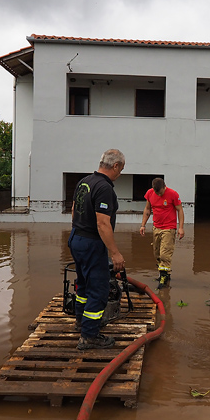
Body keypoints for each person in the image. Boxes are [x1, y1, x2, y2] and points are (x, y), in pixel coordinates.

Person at [68, 149, 126, 350]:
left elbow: (74, 210)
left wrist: (81, 232)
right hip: (91, 242)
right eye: (121, 169)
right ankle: (89, 335)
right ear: (115, 166)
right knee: (99, 290)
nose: (120, 174)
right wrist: (115, 253)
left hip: (76, 237)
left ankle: (80, 322)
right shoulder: (104, 188)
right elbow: (102, 224)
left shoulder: (84, 182)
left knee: (83, 284)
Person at [140, 177, 185, 288]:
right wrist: (143, 225)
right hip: (156, 227)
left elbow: (180, 210)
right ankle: (164, 274)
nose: (159, 195)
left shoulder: (173, 194)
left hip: (169, 228)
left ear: (164, 187)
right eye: (157, 193)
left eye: (160, 193)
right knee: (157, 253)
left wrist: (181, 228)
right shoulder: (150, 193)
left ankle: (164, 279)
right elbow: (147, 209)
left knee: (165, 254)